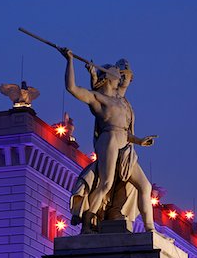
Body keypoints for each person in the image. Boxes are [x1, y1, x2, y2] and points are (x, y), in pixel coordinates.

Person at [60, 48, 156, 233]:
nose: (119, 75)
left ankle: (150, 229)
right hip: (109, 139)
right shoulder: (99, 99)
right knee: (106, 183)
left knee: (145, 186)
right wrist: (69, 60)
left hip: (125, 144)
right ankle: (88, 220)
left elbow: (124, 129)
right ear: (109, 77)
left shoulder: (122, 101)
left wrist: (140, 141)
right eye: (115, 72)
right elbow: (71, 88)